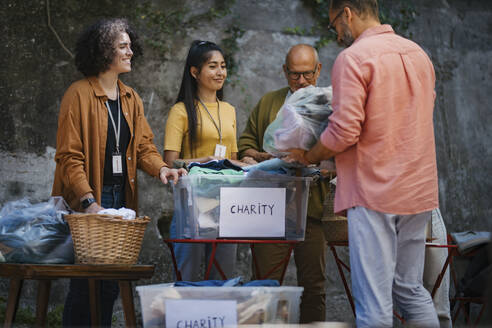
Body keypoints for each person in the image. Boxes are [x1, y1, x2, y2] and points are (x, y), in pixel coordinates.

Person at [284, 0, 440, 326]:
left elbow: (344, 131)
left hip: (375, 192)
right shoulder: (418, 55)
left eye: (334, 24)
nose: (337, 33)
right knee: (411, 289)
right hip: (418, 188)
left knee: (374, 302)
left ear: (348, 13)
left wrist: (308, 156)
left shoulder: (353, 58)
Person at [51, 18, 186, 327]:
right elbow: (69, 157)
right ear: (103, 52)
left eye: (129, 45)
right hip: (88, 199)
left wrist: (162, 169)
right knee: (85, 285)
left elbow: (143, 147)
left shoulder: (130, 98)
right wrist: (89, 204)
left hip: (119, 199)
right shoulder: (78, 94)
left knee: (110, 285)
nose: (130, 52)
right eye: (122, 46)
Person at [238, 44, 331, 323]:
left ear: (319, 70)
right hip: (269, 210)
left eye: (307, 74)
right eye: (294, 75)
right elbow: (245, 146)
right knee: (264, 286)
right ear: (284, 71)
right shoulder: (269, 102)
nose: (301, 81)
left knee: (314, 288)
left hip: (312, 211)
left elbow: (342, 151)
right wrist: (268, 156)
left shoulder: (328, 103)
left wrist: (325, 166)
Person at [164, 40, 240, 281]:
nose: (220, 72)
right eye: (212, 66)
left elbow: (233, 159)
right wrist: (203, 161)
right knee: (187, 275)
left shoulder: (229, 110)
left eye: (223, 66)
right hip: (192, 204)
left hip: (226, 204)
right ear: (195, 72)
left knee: (223, 276)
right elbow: (169, 163)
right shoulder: (181, 111)